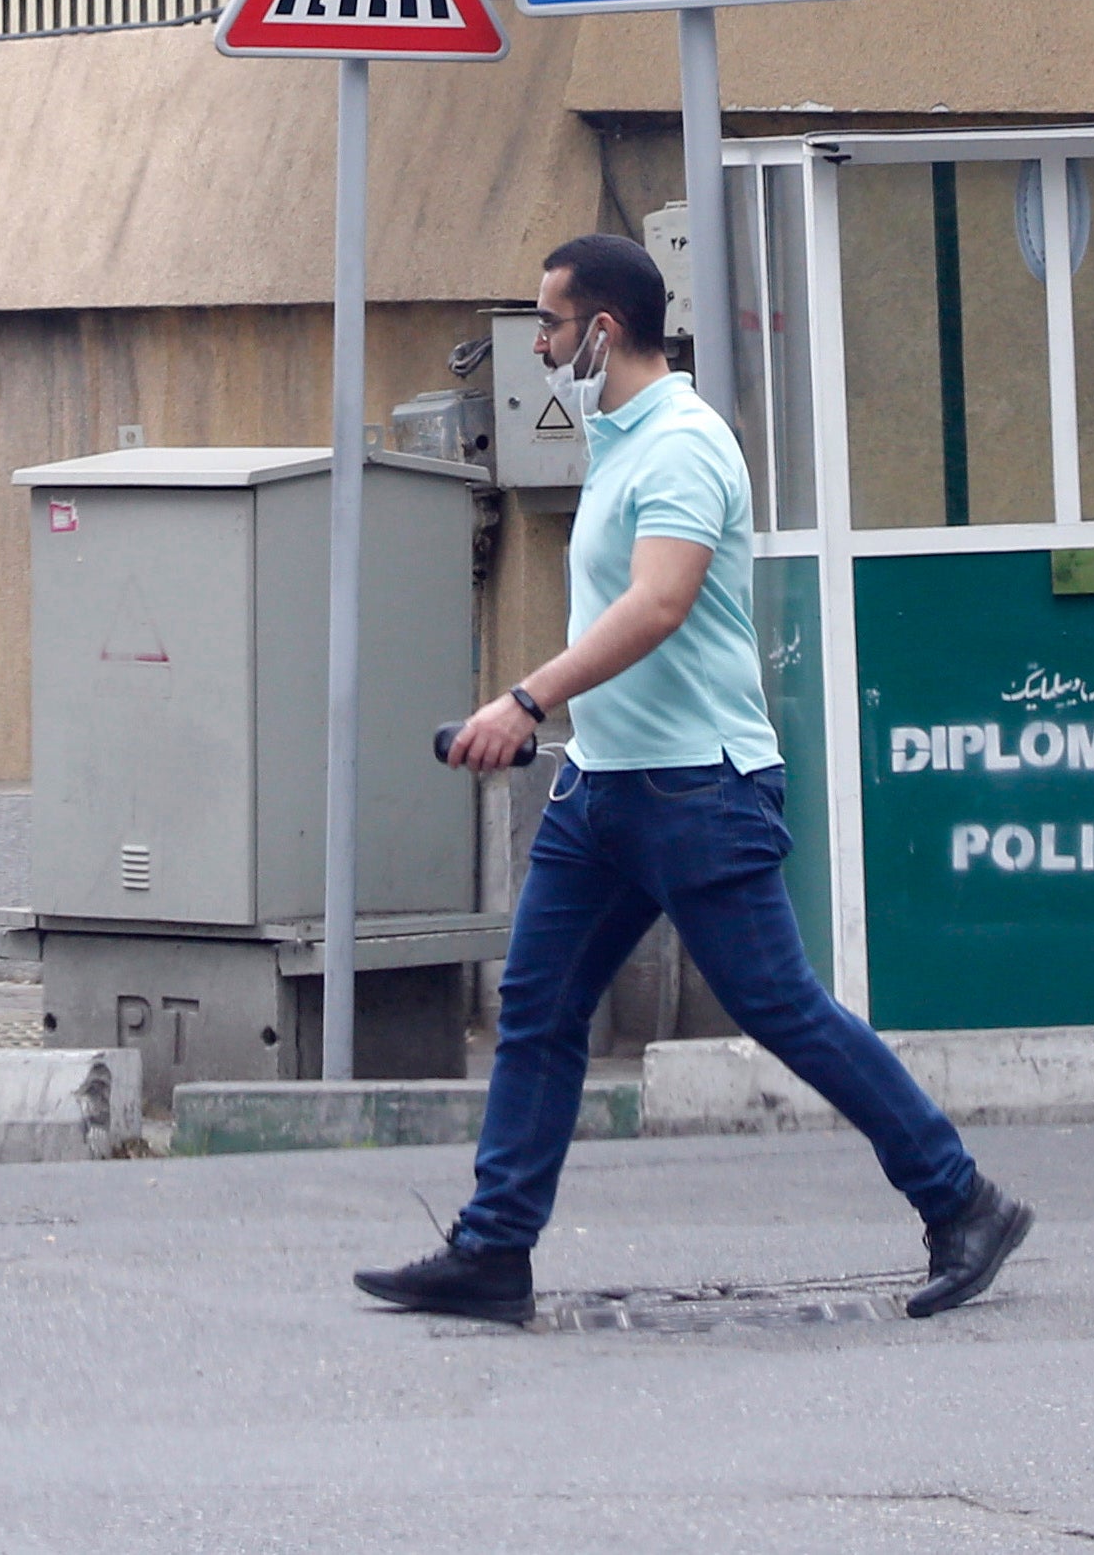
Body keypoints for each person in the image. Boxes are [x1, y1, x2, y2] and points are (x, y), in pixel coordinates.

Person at [354, 231, 1033, 1328]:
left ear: (603, 330)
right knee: (537, 1007)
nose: (537, 343)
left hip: (698, 789)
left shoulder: (680, 443)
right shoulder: (617, 438)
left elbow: (660, 602)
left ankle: (963, 1201)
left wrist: (524, 700)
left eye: (549, 323)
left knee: (781, 1008)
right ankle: (492, 1248)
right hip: (606, 788)